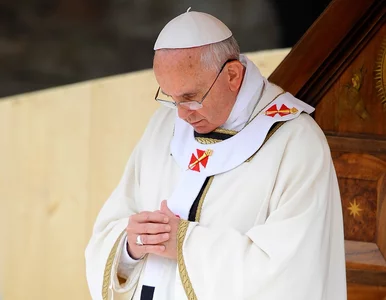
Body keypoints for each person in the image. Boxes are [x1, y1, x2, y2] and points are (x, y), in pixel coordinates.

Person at [85, 8, 347, 300]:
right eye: (171, 99)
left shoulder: (295, 142)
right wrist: (131, 247)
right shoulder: (163, 126)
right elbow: (112, 227)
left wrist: (184, 243)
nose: (182, 115)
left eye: (191, 98)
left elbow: (292, 271)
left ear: (232, 75)